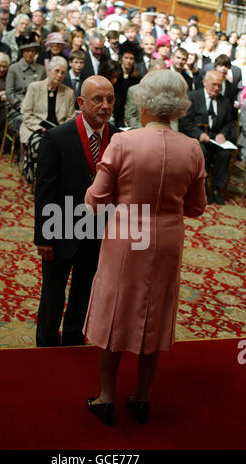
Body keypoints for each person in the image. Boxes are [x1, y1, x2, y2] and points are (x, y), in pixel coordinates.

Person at [83, 69, 206, 426]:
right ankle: (142, 397)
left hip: (125, 239)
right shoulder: (192, 148)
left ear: (143, 102)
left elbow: (96, 200)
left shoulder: (123, 142)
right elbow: (196, 208)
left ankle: (106, 396)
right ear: (179, 105)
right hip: (167, 240)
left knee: (113, 312)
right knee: (155, 311)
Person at [34, 75, 120, 347]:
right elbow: (45, 191)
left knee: (84, 292)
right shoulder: (58, 137)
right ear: (81, 102)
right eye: (97, 99)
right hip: (60, 229)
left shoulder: (118, 138)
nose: (105, 106)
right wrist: (44, 237)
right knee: (53, 294)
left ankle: (73, 340)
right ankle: (46, 344)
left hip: (98, 232)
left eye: (110, 99)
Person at [179, 70, 235, 205]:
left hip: (217, 140)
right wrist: (199, 134)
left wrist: (223, 134)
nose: (217, 88)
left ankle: (216, 188)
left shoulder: (225, 101)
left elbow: (228, 123)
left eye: (219, 86)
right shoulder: (192, 97)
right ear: (204, 82)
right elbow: (186, 122)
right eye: (213, 85)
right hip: (198, 138)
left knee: (225, 154)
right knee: (201, 152)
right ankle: (203, 189)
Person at [20, 56, 75, 145]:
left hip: (59, 130)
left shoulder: (69, 92)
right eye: (57, 71)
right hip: (35, 128)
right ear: (49, 71)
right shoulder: (34, 87)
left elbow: (71, 118)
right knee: (41, 145)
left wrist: (60, 130)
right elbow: (26, 112)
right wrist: (40, 128)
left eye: (63, 72)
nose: (60, 75)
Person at [5, 38, 46, 133]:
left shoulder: (41, 69)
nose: (30, 54)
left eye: (33, 51)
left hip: (37, 109)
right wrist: (19, 105)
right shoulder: (14, 68)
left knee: (46, 124)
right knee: (28, 125)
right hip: (18, 109)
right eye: (27, 51)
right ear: (23, 52)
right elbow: (9, 92)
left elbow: (44, 91)